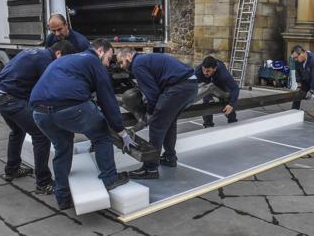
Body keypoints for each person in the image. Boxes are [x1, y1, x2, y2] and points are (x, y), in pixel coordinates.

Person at [30, 39, 132, 210]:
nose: (108, 63)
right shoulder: (93, 61)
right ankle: (110, 178)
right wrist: (121, 131)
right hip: (71, 108)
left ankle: (62, 197)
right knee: (102, 136)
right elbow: (107, 100)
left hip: (39, 112)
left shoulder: (65, 59)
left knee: (62, 147)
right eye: (109, 57)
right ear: (100, 51)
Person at [0, 41, 76, 195]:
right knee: (40, 134)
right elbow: (49, 89)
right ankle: (43, 183)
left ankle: (12, 169)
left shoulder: (34, 52)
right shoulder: (46, 61)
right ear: (58, 54)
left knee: (17, 131)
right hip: (11, 100)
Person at [116, 48, 198, 179]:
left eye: (121, 62)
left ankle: (150, 168)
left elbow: (152, 94)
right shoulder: (146, 59)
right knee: (170, 124)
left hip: (178, 88)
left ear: (129, 56)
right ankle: (170, 158)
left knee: (156, 125)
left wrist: (150, 113)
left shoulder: (137, 64)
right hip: (191, 85)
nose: (121, 66)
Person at [195, 56, 239, 128]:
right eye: (204, 70)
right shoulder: (199, 71)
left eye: (208, 71)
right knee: (207, 99)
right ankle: (208, 124)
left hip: (223, 89)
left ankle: (232, 121)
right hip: (209, 87)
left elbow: (235, 89)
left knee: (226, 102)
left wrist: (231, 104)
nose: (205, 72)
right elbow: (192, 85)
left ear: (215, 69)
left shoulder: (223, 74)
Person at [291, 45, 314, 124]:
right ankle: (292, 114)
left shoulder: (313, 59)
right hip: (307, 76)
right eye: (294, 58)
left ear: (302, 53)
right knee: (298, 94)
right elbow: (298, 73)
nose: (295, 60)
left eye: (296, 57)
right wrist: (299, 85)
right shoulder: (298, 60)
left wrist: (311, 90)